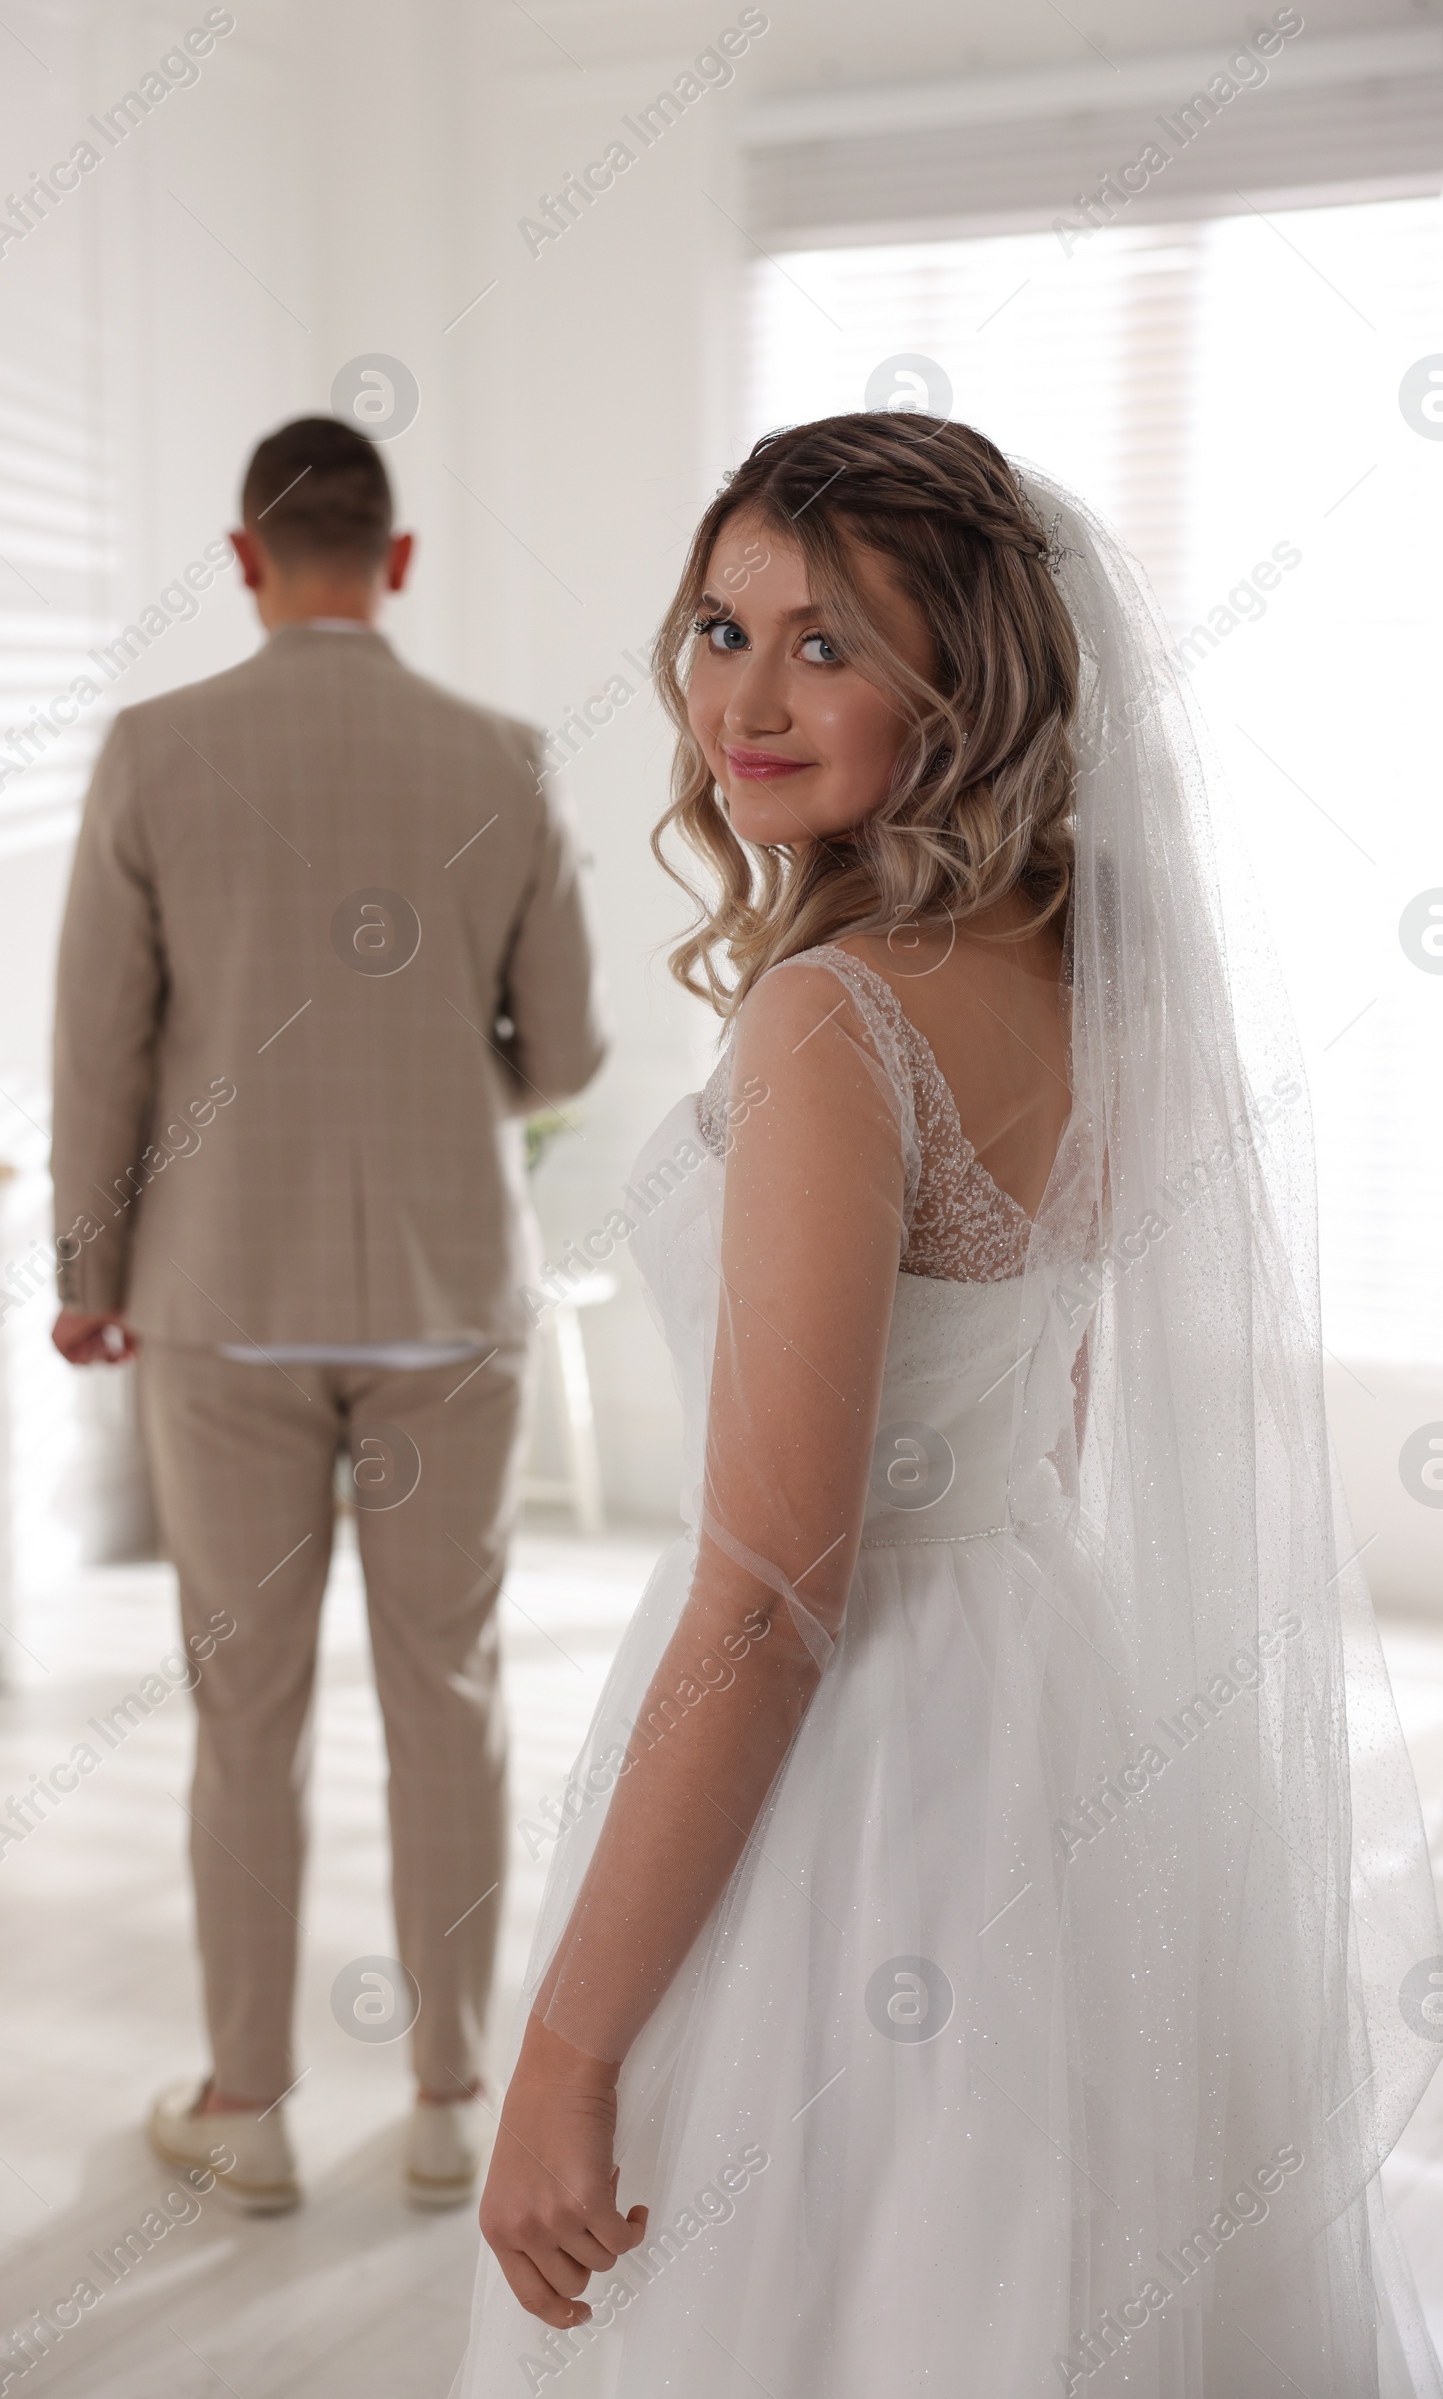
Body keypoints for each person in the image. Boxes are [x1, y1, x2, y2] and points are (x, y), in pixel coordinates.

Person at [451, 414, 1443, 2396]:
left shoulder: (835, 1017)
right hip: (1038, 1690)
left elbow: (768, 1591)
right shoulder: (1091, 968)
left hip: (841, 1756)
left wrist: (562, 2055)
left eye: (827, 646)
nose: (741, 698)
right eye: (718, 630)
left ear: (963, 679)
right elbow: (1064, 1388)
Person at [49, 415, 607, 2215]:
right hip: (452, 1298)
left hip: (221, 1300)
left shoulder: (155, 748)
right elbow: (573, 1046)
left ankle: (253, 2107)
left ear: (241, 558)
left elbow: (99, 1048)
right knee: (450, 1689)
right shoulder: (504, 758)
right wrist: (452, 1079)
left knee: (247, 1717)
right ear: (401, 557)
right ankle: (451, 2101)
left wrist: (88, 1273)